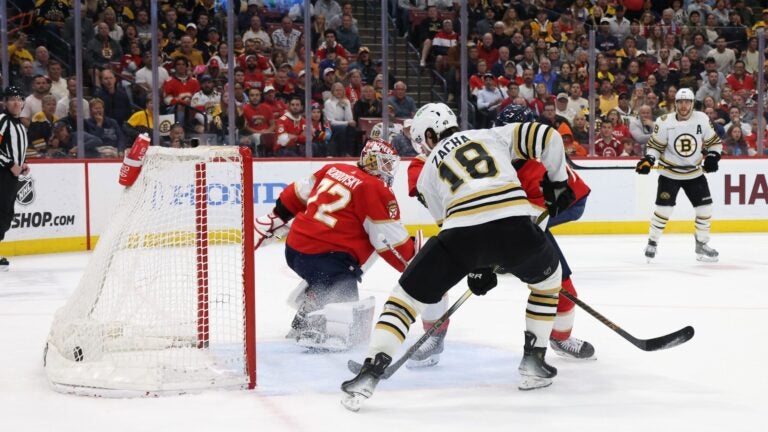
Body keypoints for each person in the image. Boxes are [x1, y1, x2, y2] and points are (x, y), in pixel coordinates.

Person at [341, 102, 576, 409]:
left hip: (461, 236)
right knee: (549, 284)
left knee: (404, 298)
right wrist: (558, 183)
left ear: (428, 133)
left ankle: (370, 372)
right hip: (517, 229)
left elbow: (454, 224)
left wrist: (477, 264)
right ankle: (533, 363)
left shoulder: (425, 172)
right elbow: (549, 137)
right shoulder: (492, 135)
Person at [401, 104, 595, 370]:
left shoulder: (537, 170)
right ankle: (434, 337)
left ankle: (561, 338)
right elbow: (424, 177)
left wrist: (492, 260)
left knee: (557, 280)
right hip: (477, 220)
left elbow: (540, 218)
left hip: (550, 209)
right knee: (434, 275)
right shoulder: (486, 144)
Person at [252, 138, 414, 351]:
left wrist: (276, 216)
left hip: (294, 250)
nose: (387, 169)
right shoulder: (376, 189)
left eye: (389, 164)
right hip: (326, 260)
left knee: (336, 277)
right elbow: (388, 241)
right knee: (346, 308)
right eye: (383, 162)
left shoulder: (333, 168)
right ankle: (314, 321)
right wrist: (414, 264)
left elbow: (297, 193)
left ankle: (313, 298)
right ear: (370, 160)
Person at [635, 88, 722, 262]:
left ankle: (702, 243)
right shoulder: (664, 121)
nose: (684, 106)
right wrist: (649, 160)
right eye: (680, 102)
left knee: (705, 208)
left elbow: (714, 143)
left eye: (687, 102)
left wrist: (713, 157)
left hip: (694, 173)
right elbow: (655, 146)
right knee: (664, 210)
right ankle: (652, 242)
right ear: (675, 104)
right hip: (669, 174)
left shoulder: (702, 119)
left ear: (692, 103)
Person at [0, 87, 30, 271]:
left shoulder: (19, 125)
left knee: (5, 214)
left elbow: (16, 149)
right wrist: (11, 164)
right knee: (1, 213)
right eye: (11, 99)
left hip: (10, 175)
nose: (16, 102)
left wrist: (23, 163)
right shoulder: (3, 121)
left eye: (19, 99)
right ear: (4, 102)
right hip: (2, 173)